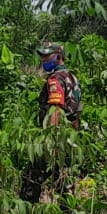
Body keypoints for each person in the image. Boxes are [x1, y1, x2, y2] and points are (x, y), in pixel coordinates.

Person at [20, 42, 82, 203]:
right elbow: (77, 112)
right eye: (42, 57)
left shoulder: (54, 79)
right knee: (65, 182)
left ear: (59, 56)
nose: (43, 60)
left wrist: (50, 141)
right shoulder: (72, 77)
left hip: (53, 140)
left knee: (31, 181)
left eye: (47, 56)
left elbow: (56, 109)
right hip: (68, 140)